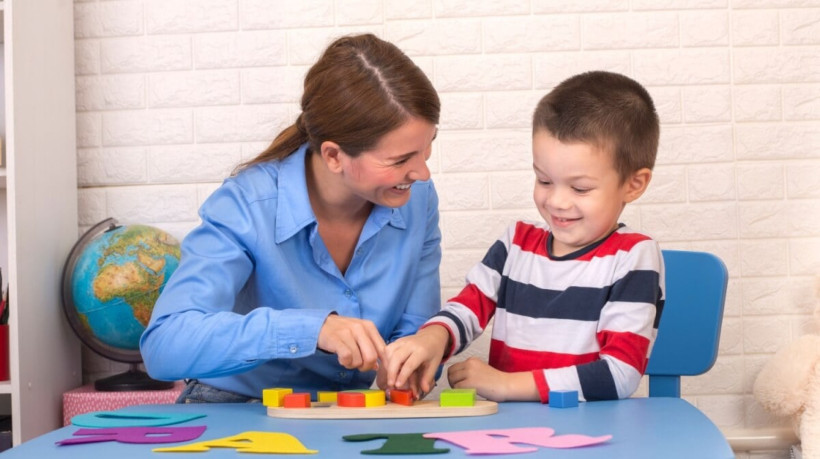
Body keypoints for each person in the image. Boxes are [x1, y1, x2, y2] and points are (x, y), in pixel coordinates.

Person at [140, 33, 442, 403]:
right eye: (400, 160)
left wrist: (415, 357)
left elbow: (415, 331)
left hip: (349, 411)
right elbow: (165, 344)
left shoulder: (417, 200)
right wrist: (312, 329)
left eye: (427, 148)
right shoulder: (247, 204)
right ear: (334, 156)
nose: (422, 173)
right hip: (237, 407)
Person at [384, 71, 664, 404]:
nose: (557, 201)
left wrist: (506, 384)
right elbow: (470, 306)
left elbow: (620, 374)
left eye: (580, 188)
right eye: (544, 180)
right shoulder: (516, 243)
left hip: (590, 429)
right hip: (513, 428)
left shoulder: (633, 256)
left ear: (633, 184)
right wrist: (433, 336)